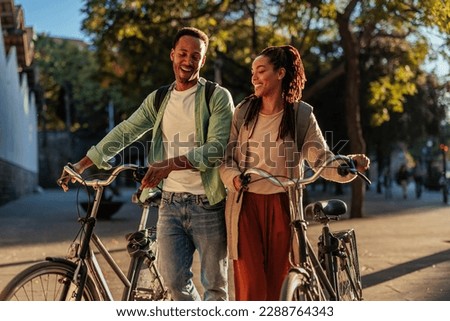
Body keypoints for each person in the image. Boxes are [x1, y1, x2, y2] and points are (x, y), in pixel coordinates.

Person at [58, 27, 234, 301]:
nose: (188, 61)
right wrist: (82, 164)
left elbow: (216, 149)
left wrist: (169, 164)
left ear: (203, 60)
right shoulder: (160, 98)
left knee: (215, 287)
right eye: (183, 54)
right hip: (170, 204)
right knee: (174, 283)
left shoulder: (217, 96)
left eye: (195, 56)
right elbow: (126, 131)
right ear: (172, 55)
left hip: (208, 205)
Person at [219, 45, 370, 301]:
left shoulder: (301, 115)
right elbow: (225, 159)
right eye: (252, 71)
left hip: (284, 205)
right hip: (246, 207)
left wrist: (347, 166)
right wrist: (233, 178)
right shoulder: (243, 112)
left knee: (282, 283)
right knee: (251, 285)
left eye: (261, 70)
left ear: (280, 73)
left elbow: (320, 158)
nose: (254, 77)